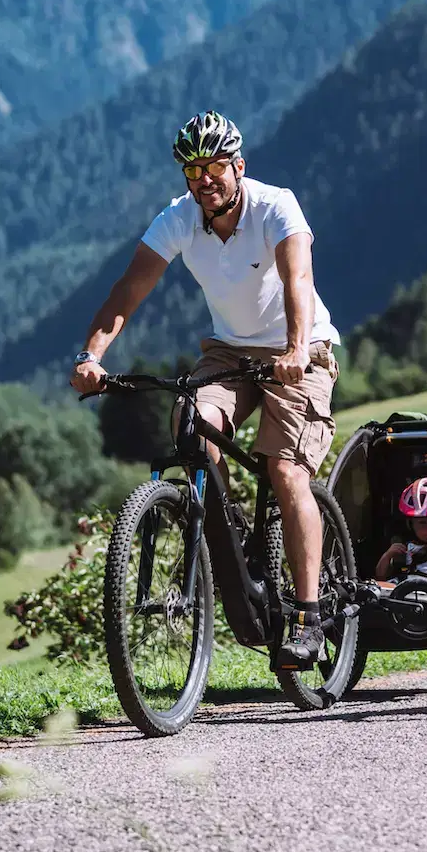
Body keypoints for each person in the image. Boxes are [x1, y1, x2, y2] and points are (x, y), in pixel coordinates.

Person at [69, 111, 342, 670]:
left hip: (302, 350)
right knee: (190, 423)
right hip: (229, 353)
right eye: (193, 170)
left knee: (287, 471)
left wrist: (294, 350)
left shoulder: (276, 206)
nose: (204, 179)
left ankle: (309, 617)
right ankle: (229, 535)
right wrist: (90, 356)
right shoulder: (179, 220)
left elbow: (298, 280)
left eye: (214, 166)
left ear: (238, 166)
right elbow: (129, 289)